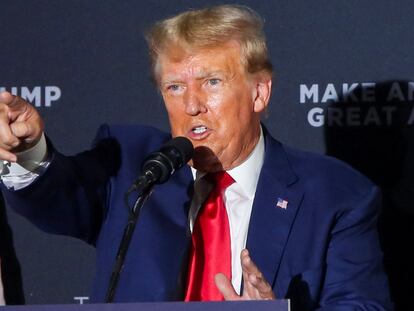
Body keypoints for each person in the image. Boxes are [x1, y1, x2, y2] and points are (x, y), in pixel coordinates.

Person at [0, 4, 391, 310]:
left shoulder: (335, 195)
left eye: (212, 82)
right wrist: (28, 150)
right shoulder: (133, 166)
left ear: (259, 94)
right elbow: (61, 197)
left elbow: (362, 305)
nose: (191, 105)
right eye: (174, 86)